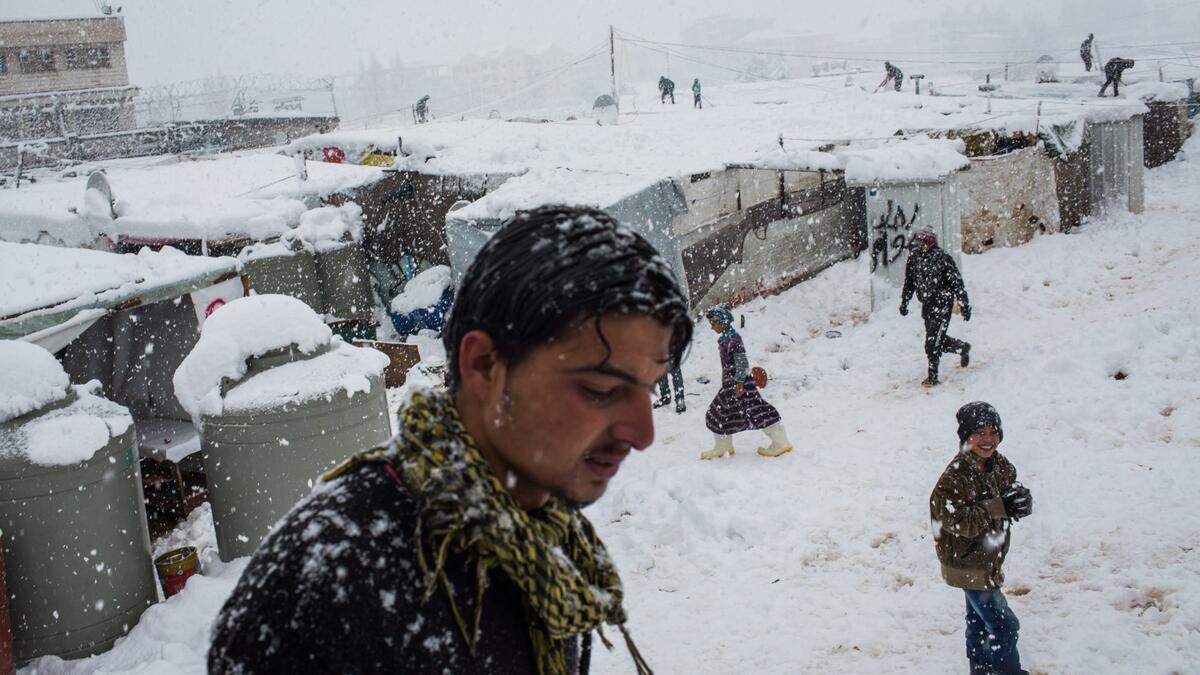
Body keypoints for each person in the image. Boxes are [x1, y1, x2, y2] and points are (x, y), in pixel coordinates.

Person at [208, 205, 692, 675]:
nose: (643, 434)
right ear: (484, 365)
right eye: (600, 389)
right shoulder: (316, 592)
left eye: (647, 390)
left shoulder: (539, 535)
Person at [930, 402, 1033, 675]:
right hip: (967, 563)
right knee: (1004, 626)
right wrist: (999, 506)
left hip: (986, 558)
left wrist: (1020, 499)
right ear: (965, 436)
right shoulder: (954, 478)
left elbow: (1009, 484)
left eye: (993, 431)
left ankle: (982, 669)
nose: (988, 439)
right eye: (979, 432)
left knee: (978, 621)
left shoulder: (997, 464)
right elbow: (957, 521)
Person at [700, 305, 791, 460]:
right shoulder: (726, 338)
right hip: (731, 383)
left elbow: (742, 362)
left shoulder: (733, 339)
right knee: (721, 413)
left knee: (756, 411)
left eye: (714, 323)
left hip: (739, 383)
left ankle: (781, 442)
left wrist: (740, 383)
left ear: (722, 322)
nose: (711, 327)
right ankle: (723, 446)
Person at [899, 226, 971, 387]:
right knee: (937, 339)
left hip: (943, 304)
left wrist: (964, 304)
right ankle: (961, 347)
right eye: (919, 242)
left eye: (923, 243)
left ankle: (933, 375)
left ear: (931, 243)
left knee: (932, 342)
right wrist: (904, 301)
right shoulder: (914, 258)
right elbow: (909, 283)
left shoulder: (943, 259)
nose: (920, 246)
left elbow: (957, 283)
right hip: (927, 305)